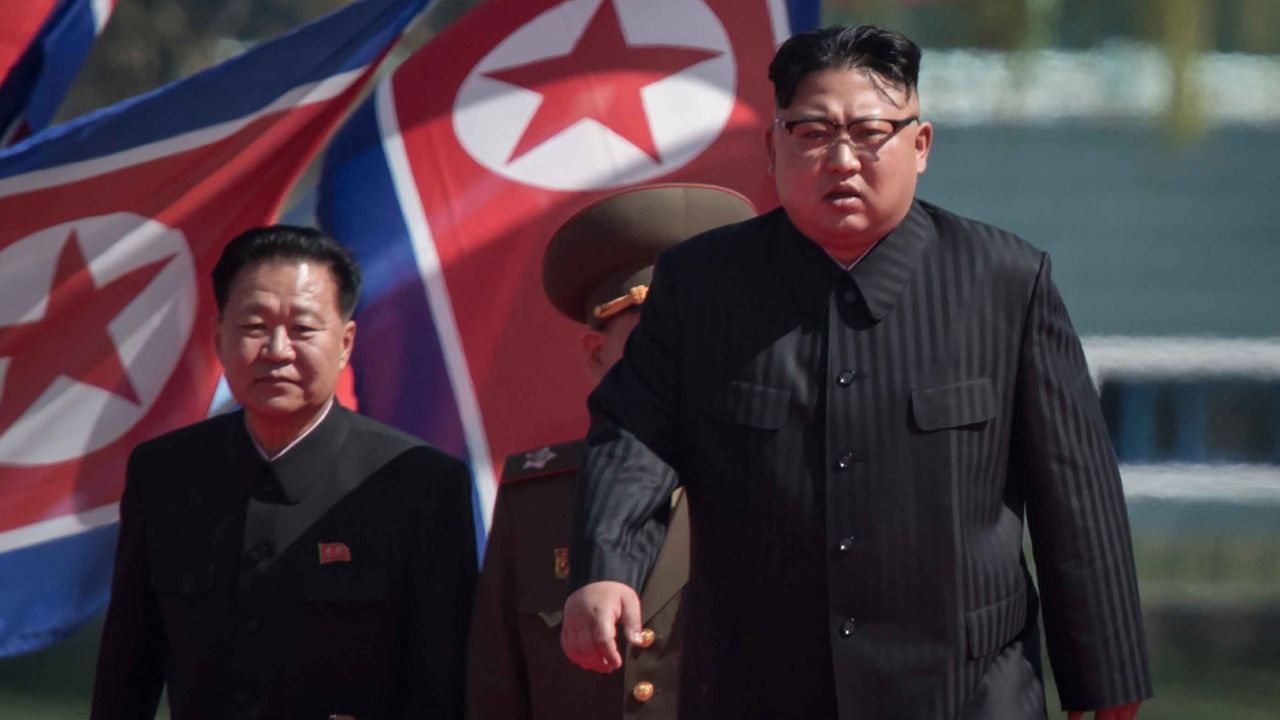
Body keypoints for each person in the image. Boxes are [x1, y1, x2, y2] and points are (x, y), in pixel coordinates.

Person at [561, 25, 1152, 720]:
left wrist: (1106, 682)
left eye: (870, 131)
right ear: (774, 146)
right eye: (812, 133)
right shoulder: (702, 285)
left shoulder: (1004, 282)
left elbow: (1075, 495)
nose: (841, 158)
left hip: (965, 691)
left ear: (920, 145)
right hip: (761, 686)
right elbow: (635, 435)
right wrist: (605, 567)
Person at [91, 225, 476, 720]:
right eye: (253, 327)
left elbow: (442, 681)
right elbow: (128, 660)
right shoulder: (165, 472)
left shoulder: (420, 483)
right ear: (219, 337)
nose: (277, 349)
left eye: (303, 329)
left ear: (345, 342)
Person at [466, 184, 756, 720]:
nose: (677, 362)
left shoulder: (775, 480)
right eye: (653, 341)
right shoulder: (539, 498)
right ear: (597, 355)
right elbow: (497, 689)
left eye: (697, 335)